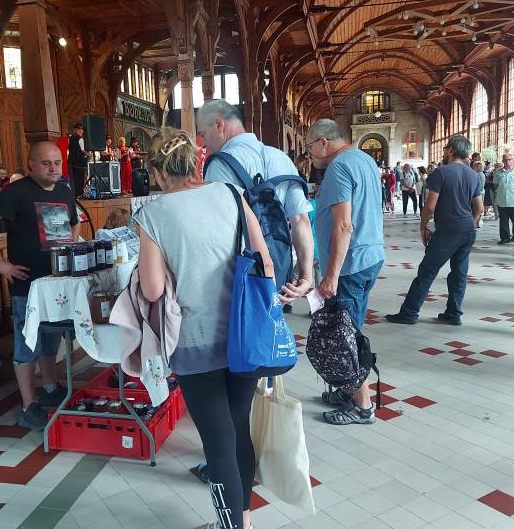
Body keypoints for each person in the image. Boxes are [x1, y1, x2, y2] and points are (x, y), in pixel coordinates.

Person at [134, 132, 272, 529]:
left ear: (158, 171)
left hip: (195, 342)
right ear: (196, 162)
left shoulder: (153, 214)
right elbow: (264, 262)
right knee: (238, 429)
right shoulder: (231, 193)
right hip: (244, 337)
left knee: (217, 443)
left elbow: (152, 289)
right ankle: (243, 521)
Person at [0, 141, 80, 429]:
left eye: (57, 162)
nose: (53, 168)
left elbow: (74, 222)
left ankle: (50, 386)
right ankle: (29, 404)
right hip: (27, 284)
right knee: (26, 342)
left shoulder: (65, 192)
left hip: (57, 281)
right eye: (46, 163)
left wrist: (69, 247)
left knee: (51, 339)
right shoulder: (17, 191)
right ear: (31, 165)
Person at [304, 119, 384, 424]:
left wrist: (332, 274)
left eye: (310, 148)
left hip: (350, 265)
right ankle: (349, 391)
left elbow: (343, 225)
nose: (310, 155)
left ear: (323, 142)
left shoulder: (338, 167)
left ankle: (362, 406)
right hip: (370, 255)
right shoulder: (364, 159)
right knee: (351, 328)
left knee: (345, 336)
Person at [197, 99, 314, 305]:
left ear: (219, 124)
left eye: (203, 134)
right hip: (279, 270)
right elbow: (301, 220)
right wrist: (306, 275)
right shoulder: (281, 158)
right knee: (272, 321)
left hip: (239, 276)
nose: (204, 143)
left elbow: (216, 230)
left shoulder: (220, 165)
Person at [386, 135, 483, 326]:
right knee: (459, 273)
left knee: (427, 271)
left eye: (446, 148)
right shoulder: (473, 175)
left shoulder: (441, 172)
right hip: (468, 230)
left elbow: (430, 207)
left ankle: (409, 313)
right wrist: (469, 223)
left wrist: (423, 226)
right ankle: (453, 313)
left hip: (447, 230)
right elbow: (479, 208)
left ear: (451, 150)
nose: (445, 151)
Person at [493, 152, 514, 244]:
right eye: (505, 160)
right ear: (502, 161)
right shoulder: (498, 172)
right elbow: (495, 184)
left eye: (509, 159)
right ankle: (505, 238)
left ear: (513, 160)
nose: (507, 162)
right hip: (502, 200)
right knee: (503, 221)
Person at [67, 122, 88, 197]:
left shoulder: (70, 138)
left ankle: (73, 196)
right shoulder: (80, 139)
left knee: (72, 181)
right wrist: (89, 154)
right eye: (82, 130)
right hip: (79, 164)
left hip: (71, 162)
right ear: (80, 130)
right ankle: (79, 196)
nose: (82, 132)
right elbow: (83, 150)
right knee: (79, 181)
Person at [473, 161, 486, 228]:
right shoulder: (481, 174)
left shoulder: (477, 174)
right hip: (481, 192)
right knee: (479, 208)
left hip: (478, 193)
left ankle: (475, 222)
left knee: (477, 208)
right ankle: (477, 222)